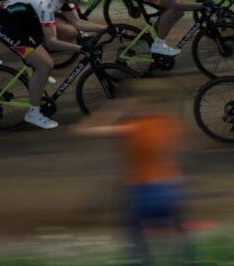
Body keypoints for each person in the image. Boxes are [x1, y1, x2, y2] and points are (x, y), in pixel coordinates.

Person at [74, 79, 194, 265]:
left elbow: (83, 130)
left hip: (141, 192)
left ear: (136, 103)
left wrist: (115, 109)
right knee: (181, 244)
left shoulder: (132, 128)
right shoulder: (169, 123)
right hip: (171, 189)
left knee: (137, 248)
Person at [0, 0, 107, 129]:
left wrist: (106, 29)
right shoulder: (43, 3)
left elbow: (77, 22)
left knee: (69, 32)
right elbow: (52, 42)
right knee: (45, 65)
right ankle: (33, 113)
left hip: (27, 19)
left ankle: (34, 67)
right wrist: (80, 49)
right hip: (9, 27)